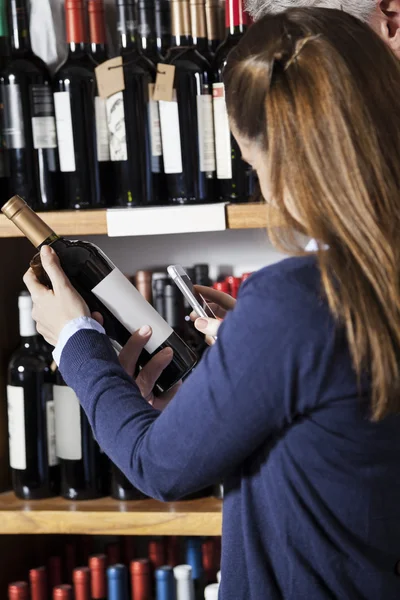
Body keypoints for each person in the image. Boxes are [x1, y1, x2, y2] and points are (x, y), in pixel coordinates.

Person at [24, 8, 400, 599]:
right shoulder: (356, 285)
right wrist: (243, 364)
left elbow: (159, 467)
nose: (262, 187)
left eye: (253, 164)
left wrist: (76, 342)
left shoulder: (295, 303)